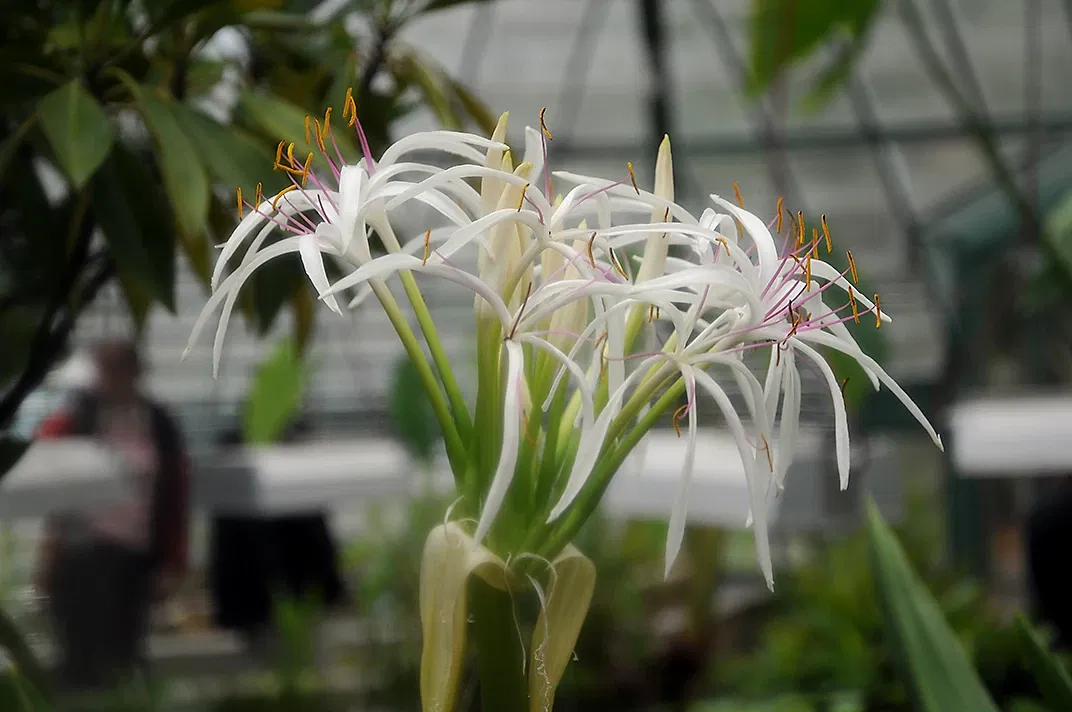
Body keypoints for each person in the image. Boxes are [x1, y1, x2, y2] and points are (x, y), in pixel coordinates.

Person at [33, 339, 190, 693]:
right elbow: (54, 481)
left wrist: (174, 560)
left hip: (133, 554)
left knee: (124, 651)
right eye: (105, 370)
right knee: (80, 652)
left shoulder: (158, 423)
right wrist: (48, 561)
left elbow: (175, 495)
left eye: (117, 370)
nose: (110, 380)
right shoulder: (79, 419)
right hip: (82, 552)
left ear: (135, 373)